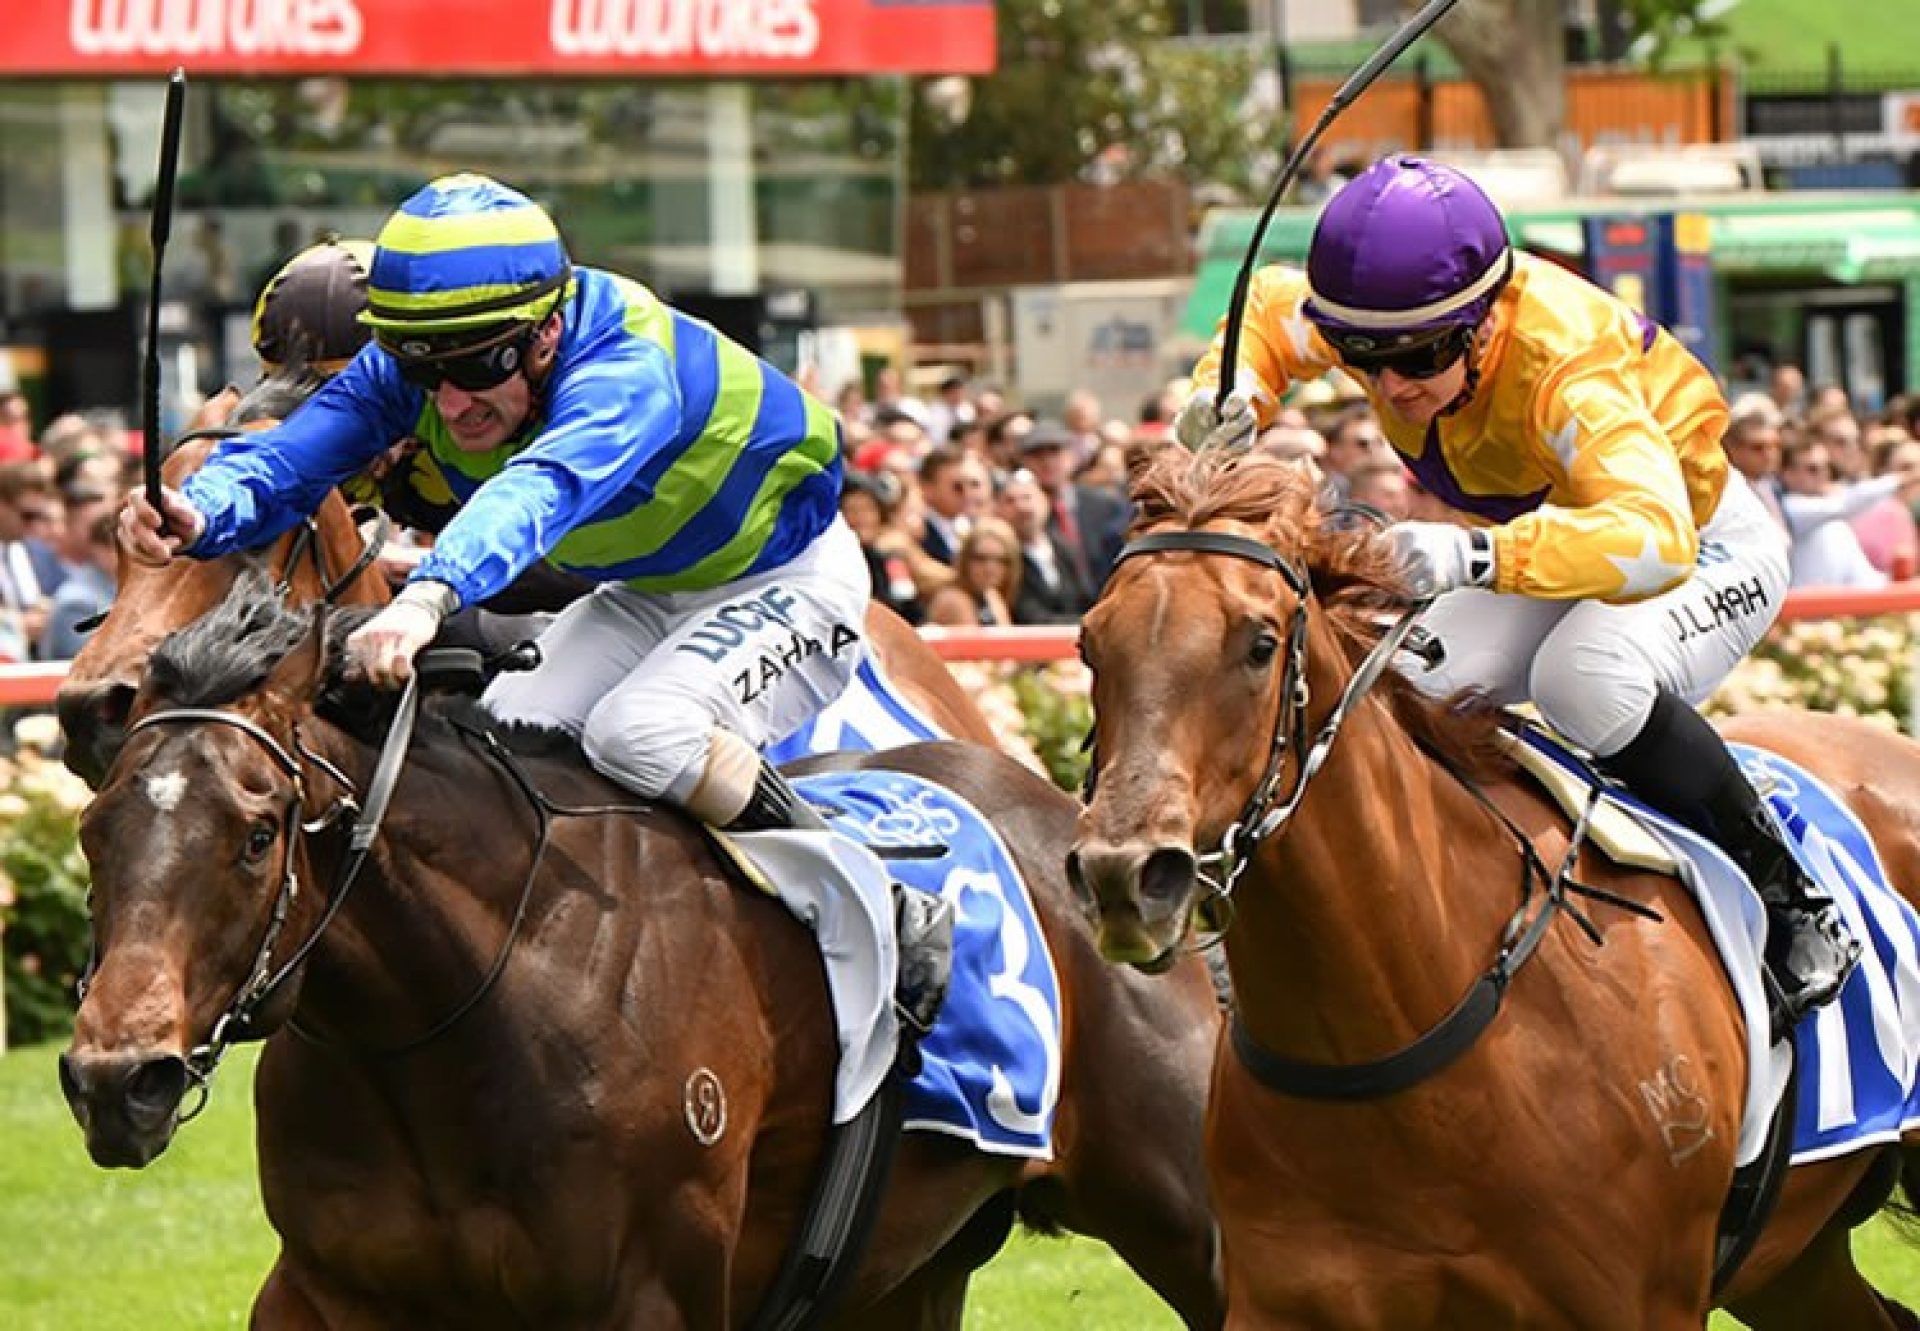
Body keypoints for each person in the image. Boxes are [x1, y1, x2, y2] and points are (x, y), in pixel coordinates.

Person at [121, 173, 949, 1026]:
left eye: (477, 369)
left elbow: (537, 489)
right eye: (422, 370)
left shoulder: (628, 367)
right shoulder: (443, 347)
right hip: (650, 589)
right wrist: (201, 509)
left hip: (791, 581)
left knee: (644, 731)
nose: (448, 401)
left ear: (547, 332)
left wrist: (426, 598)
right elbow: (296, 456)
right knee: (504, 739)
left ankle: (879, 897)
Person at [1172, 154, 1858, 1029]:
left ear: (1482, 323)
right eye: (1361, 359)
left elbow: (1653, 538)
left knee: (1586, 674)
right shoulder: (1393, 322)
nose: (1389, 387)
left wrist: (1479, 559)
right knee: (1397, 692)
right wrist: (1227, 390)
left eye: (1417, 358)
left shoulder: (1565, 366)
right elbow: (1269, 309)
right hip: (1550, 537)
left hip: (1699, 547)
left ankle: (1794, 897)